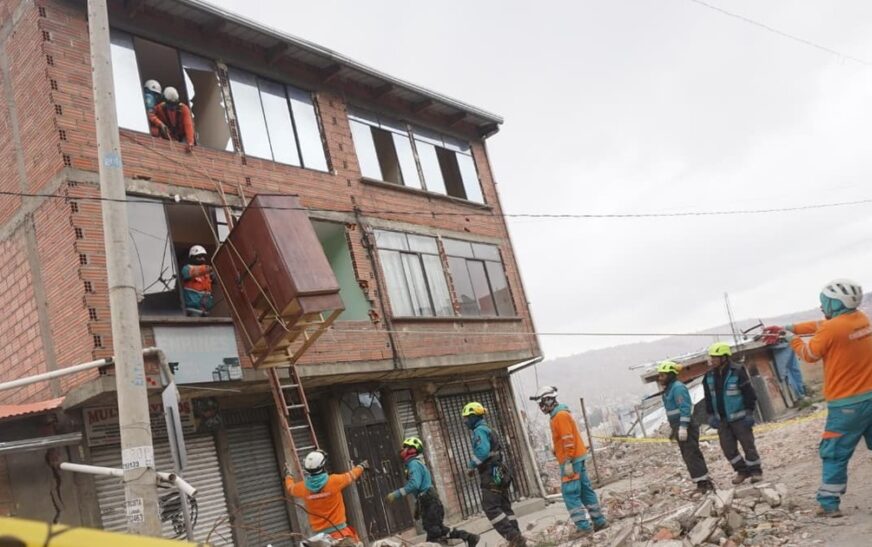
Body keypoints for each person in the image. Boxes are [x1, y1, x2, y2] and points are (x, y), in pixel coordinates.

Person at [771, 279, 872, 518]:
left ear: (835, 303)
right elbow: (822, 325)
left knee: (834, 452)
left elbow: (809, 354)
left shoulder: (831, 329)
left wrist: (790, 338)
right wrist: (790, 327)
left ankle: (828, 503)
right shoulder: (862, 319)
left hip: (846, 405)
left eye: (824, 302)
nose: (821, 306)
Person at [530, 386, 606, 538]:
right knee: (585, 491)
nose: (541, 408)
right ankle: (599, 521)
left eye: (541, 404)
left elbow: (568, 439)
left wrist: (568, 460)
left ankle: (583, 527)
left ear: (548, 400)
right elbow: (565, 439)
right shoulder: (559, 415)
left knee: (570, 494)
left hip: (571, 460)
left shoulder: (560, 416)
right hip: (576, 457)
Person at [385, 436, 479, 547]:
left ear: (412, 450)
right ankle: (469, 537)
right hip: (430, 501)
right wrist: (418, 508)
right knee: (439, 530)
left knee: (434, 534)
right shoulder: (415, 464)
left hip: (429, 502)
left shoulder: (413, 464)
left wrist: (396, 494)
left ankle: (465, 538)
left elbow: (415, 485)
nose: (401, 450)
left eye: (405, 447)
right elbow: (420, 490)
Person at [462, 402, 527, 547]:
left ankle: (515, 538)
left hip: (491, 472)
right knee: (504, 506)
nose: (465, 421)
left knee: (490, 507)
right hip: (498, 471)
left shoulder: (479, 430)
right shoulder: (489, 428)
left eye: (466, 418)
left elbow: (482, 452)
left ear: (473, 417)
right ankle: (517, 538)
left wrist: (471, 466)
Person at [703, 342, 763, 485]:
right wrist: (711, 415)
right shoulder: (709, 376)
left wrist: (749, 412)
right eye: (712, 357)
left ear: (724, 357)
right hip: (722, 420)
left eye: (715, 357)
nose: (712, 360)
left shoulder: (737, 371)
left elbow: (749, 393)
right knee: (728, 449)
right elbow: (708, 397)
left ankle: (755, 471)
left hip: (740, 418)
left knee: (748, 446)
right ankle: (742, 471)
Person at [284, 450, 368, 542]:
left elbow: (290, 488)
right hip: (340, 533)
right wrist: (362, 466)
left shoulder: (302, 487)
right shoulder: (334, 481)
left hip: (321, 539)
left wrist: (288, 475)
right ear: (322, 466)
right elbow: (352, 475)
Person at [658, 361, 714, 492]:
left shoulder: (677, 388)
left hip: (686, 426)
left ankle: (704, 483)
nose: (660, 378)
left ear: (670, 375)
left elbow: (685, 408)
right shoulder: (669, 390)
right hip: (677, 426)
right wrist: (674, 429)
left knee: (692, 454)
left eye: (662, 375)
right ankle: (700, 481)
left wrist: (683, 427)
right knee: (688, 456)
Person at [149, 86, 195, 152]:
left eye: (175, 105)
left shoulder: (184, 109)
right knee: (154, 131)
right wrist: (160, 124)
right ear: (165, 102)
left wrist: (190, 142)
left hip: (180, 137)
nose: (173, 108)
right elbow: (150, 115)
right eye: (171, 105)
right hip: (168, 136)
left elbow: (188, 125)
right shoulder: (160, 107)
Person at [181, 245, 214, 317]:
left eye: (203, 256)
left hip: (206, 309)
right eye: (199, 256)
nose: (202, 258)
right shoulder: (187, 268)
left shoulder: (206, 272)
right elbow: (192, 272)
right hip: (193, 309)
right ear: (192, 257)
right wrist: (206, 269)